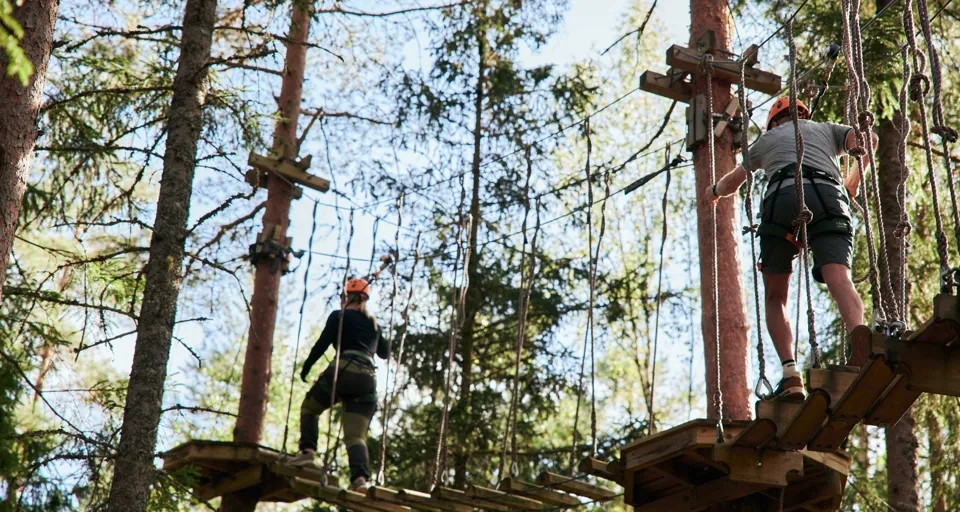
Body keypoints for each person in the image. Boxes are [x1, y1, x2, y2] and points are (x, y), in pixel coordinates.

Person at [704, 97, 876, 401]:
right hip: (828, 197)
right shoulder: (827, 129)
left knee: (775, 295)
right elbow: (869, 139)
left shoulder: (766, 140)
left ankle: (791, 375)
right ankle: (859, 340)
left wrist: (714, 191)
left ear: (773, 121)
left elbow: (733, 183)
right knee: (839, 278)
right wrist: (854, 181)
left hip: (780, 202)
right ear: (803, 115)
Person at [289, 278, 390, 491]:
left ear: (346, 297)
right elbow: (385, 353)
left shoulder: (339, 316)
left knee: (310, 407)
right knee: (355, 436)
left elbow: (323, 343)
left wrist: (307, 367)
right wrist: (377, 333)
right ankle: (360, 480)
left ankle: (307, 451)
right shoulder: (373, 324)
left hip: (343, 370)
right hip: (367, 379)